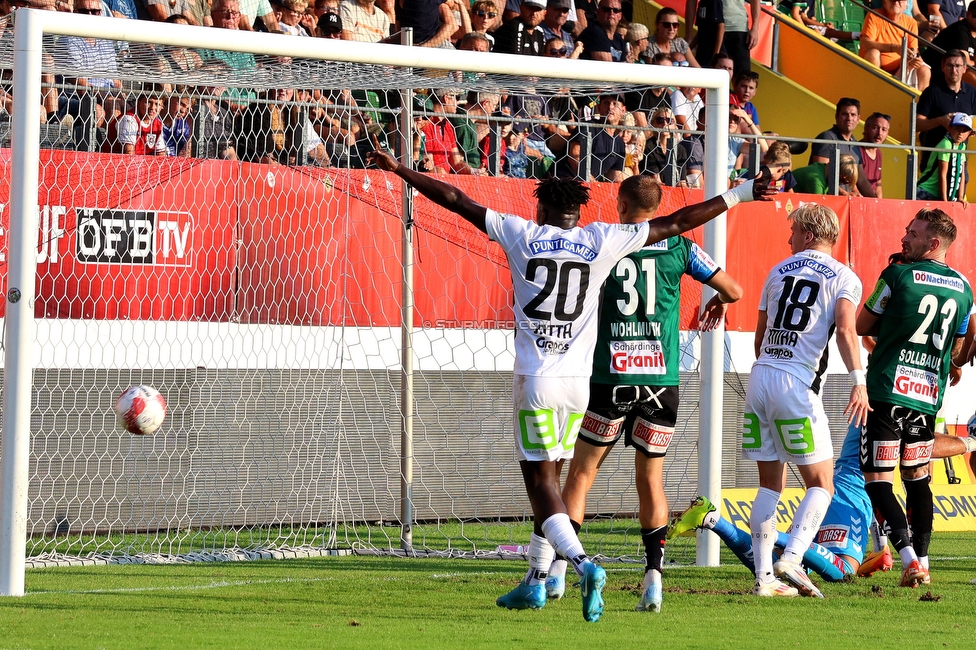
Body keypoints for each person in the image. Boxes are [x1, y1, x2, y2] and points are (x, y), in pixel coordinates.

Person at [367, 149, 774, 622]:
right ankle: (537, 581)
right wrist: (741, 192)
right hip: (587, 386)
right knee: (574, 479)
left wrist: (401, 170)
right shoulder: (602, 239)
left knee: (545, 483)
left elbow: (456, 198)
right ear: (580, 213)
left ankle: (580, 565)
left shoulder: (522, 234)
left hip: (541, 380)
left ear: (540, 210)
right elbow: (681, 221)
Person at [542, 174, 742, 613]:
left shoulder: (608, 243)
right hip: (660, 382)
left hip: (610, 376)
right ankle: (653, 577)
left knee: (580, 475)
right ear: (659, 206)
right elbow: (734, 289)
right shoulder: (681, 247)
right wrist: (718, 302)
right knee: (650, 480)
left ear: (620, 204)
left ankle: (558, 568)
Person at [744, 203, 869, 598]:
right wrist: (858, 381)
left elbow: (759, 336)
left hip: (760, 376)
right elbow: (847, 331)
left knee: (769, 485)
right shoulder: (845, 277)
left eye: (794, 232)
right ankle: (793, 558)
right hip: (795, 385)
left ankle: (764, 580)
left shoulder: (777, 270)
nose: (789, 239)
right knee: (822, 483)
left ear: (810, 234)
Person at [670, 423, 976, 582]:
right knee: (842, 570)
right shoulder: (889, 406)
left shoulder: (873, 399)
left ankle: (711, 518)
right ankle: (769, 534)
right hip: (851, 495)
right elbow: (924, 445)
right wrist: (970, 443)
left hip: (836, 488)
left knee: (777, 565)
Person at [856, 208, 974, 588]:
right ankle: (923, 560)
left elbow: (861, 325)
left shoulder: (897, 275)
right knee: (918, 478)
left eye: (913, 233)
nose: (904, 238)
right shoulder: (964, 288)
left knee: (877, 480)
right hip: (926, 396)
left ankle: (908, 560)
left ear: (933, 243)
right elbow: (958, 347)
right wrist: (949, 364)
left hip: (888, 389)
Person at [916, 49, 976, 167]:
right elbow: (916, 124)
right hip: (933, 161)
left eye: (958, 66)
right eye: (950, 66)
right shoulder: (931, 92)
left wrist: (969, 131)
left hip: (960, 162)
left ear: (964, 68)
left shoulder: (972, 93)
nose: (954, 70)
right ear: (943, 67)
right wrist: (940, 121)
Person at [809, 97, 877, 197]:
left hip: (844, 202)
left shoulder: (855, 144)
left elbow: (861, 180)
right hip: (826, 202)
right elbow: (821, 175)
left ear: (858, 119)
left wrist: (875, 202)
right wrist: (845, 194)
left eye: (853, 115)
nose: (849, 118)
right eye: (845, 114)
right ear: (837, 116)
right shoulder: (827, 138)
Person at [859, 0, 931, 91]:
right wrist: (894, 48)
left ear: (906, 5)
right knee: (873, 53)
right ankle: (874, 91)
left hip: (900, 70)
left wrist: (916, 59)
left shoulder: (911, 23)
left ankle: (920, 103)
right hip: (876, 68)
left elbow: (914, 50)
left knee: (925, 70)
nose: (897, 2)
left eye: (901, 0)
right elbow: (865, 44)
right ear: (885, 2)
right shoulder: (873, 15)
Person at [917, 112, 972, 202]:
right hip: (926, 192)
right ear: (949, 128)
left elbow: (962, 174)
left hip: (939, 195)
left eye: (964, 130)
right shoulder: (946, 144)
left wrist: (960, 197)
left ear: (970, 133)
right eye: (957, 128)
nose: (960, 133)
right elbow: (943, 174)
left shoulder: (962, 146)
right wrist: (944, 201)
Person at [102, 85, 169, 156]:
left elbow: (161, 156)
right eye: (149, 102)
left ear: (162, 107)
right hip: (114, 164)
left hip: (141, 165)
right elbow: (129, 156)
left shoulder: (157, 124)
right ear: (138, 101)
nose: (152, 107)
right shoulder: (128, 120)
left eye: (157, 104)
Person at [921, 3, 976, 86]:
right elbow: (965, 62)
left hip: (953, 71)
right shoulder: (961, 30)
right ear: (967, 14)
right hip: (936, 70)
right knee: (967, 73)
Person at [793, 153, 860, 195]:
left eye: (846, 183)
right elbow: (818, 212)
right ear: (835, 171)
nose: (840, 185)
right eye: (842, 181)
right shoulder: (817, 182)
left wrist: (845, 194)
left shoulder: (822, 168)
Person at [859, 112, 890, 197]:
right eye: (875, 128)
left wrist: (879, 204)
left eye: (884, 129)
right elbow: (851, 184)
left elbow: (878, 184)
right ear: (866, 128)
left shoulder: (879, 154)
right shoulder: (856, 150)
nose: (879, 133)